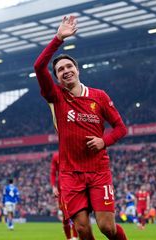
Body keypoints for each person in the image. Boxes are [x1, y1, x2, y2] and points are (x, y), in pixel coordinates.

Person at [34, 15, 128, 240]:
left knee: (107, 228)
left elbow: (120, 128)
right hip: (70, 174)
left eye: (69, 66)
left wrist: (104, 141)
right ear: (56, 77)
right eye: (60, 69)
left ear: (78, 70)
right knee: (83, 229)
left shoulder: (99, 96)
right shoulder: (56, 96)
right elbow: (38, 66)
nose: (65, 70)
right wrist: (58, 38)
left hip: (98, 171)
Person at [51, 152, 78, 240]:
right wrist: (54, 187)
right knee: (65, 215)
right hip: (62, 188)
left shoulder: (74, 152)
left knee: (74, 213)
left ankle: (74, 237)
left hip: (75, 185)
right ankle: (69, 238)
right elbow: (53, 172)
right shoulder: (56, 156)